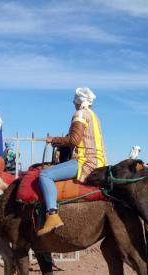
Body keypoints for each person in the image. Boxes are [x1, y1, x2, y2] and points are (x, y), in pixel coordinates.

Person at [37, 87, 107, 236]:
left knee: (45, 175)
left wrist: (53, 140)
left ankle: (52, 214)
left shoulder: (80, 114)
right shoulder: (94, 116)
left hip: (85, 161)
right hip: (100, 161)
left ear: (78, 101)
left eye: (74, 100)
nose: (73, 103)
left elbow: (74, 140)